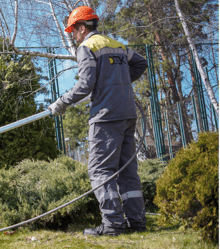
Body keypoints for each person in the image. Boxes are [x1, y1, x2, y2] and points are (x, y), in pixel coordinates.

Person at [48, 6, 148, 236]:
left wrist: (61, 103)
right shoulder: (116, 44)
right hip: (127, 113)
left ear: (82, 28)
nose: (73, 36)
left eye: (73, 31)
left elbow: (85, 85)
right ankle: (137, 222)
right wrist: (119, 82)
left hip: (105, 116)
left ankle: (113, 224)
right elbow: (140, 63)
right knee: (127, 171)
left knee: (100, 170)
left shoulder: (87, 47)